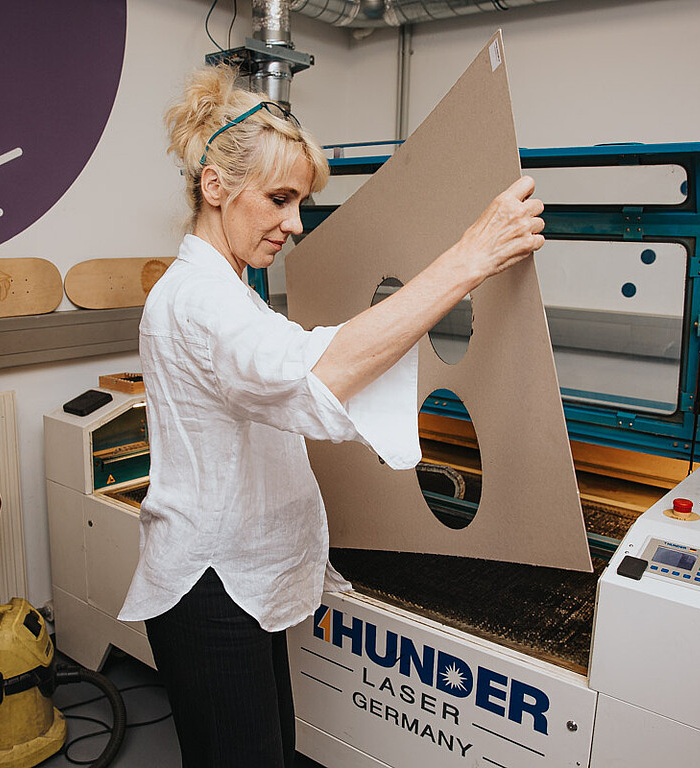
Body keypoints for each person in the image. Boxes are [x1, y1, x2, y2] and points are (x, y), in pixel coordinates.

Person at [118, 65, 544, 768]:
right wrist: (468, 260)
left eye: (300, 203)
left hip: (237, 582)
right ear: (215, 187)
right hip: (211, 586)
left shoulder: (230, 290)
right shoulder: (198, 299)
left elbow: (301, 368)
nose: (294, 225)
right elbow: (313, 372)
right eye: (280, 199)